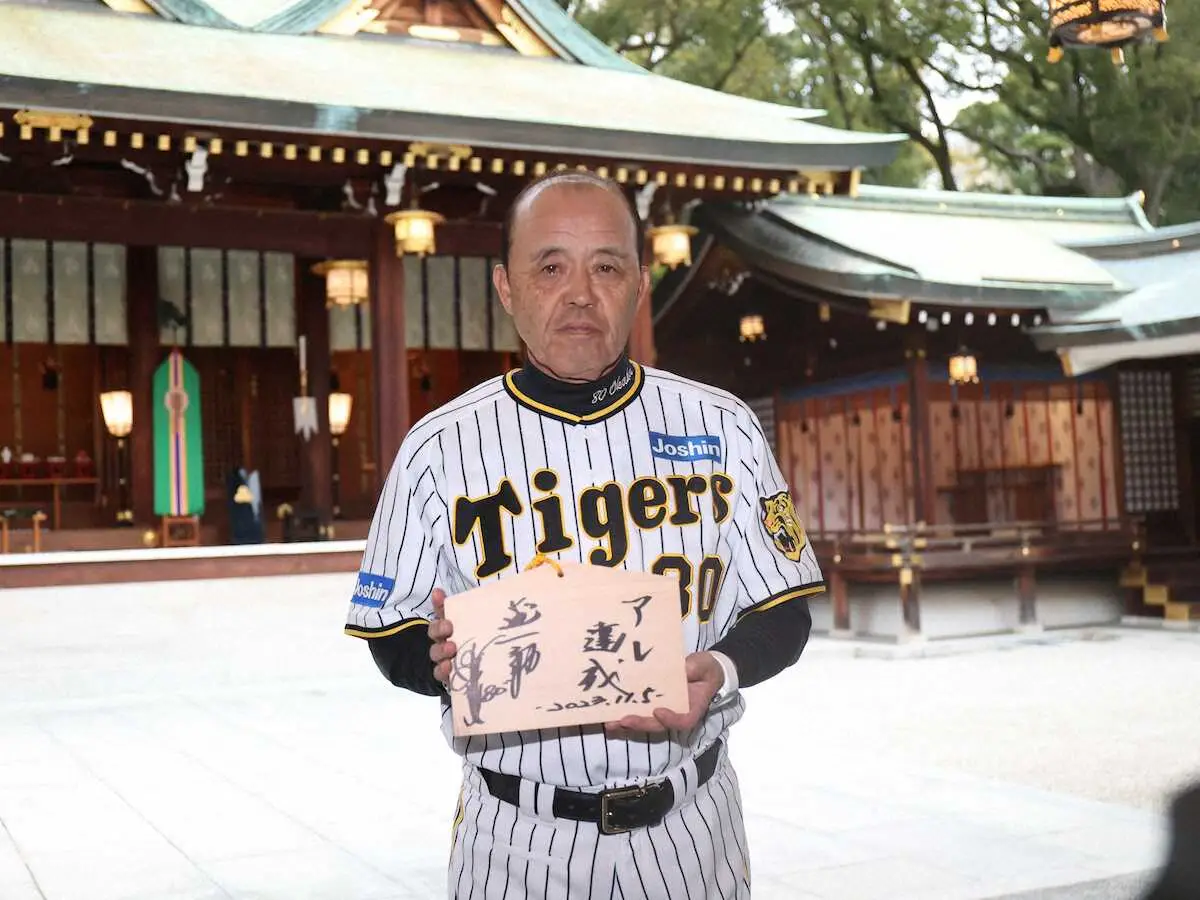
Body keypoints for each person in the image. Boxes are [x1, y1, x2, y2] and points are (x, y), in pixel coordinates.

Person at [344, 171, 824, 899]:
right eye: (550, 266)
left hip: (690, 831)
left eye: (606, 266)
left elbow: (784, 609)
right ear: (507, 288)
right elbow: (390, 634)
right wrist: (437, 657)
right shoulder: (438, 448)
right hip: (517, 839)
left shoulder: (721, 427)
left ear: (639, 283)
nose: (579, 293)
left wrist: (720, 668)